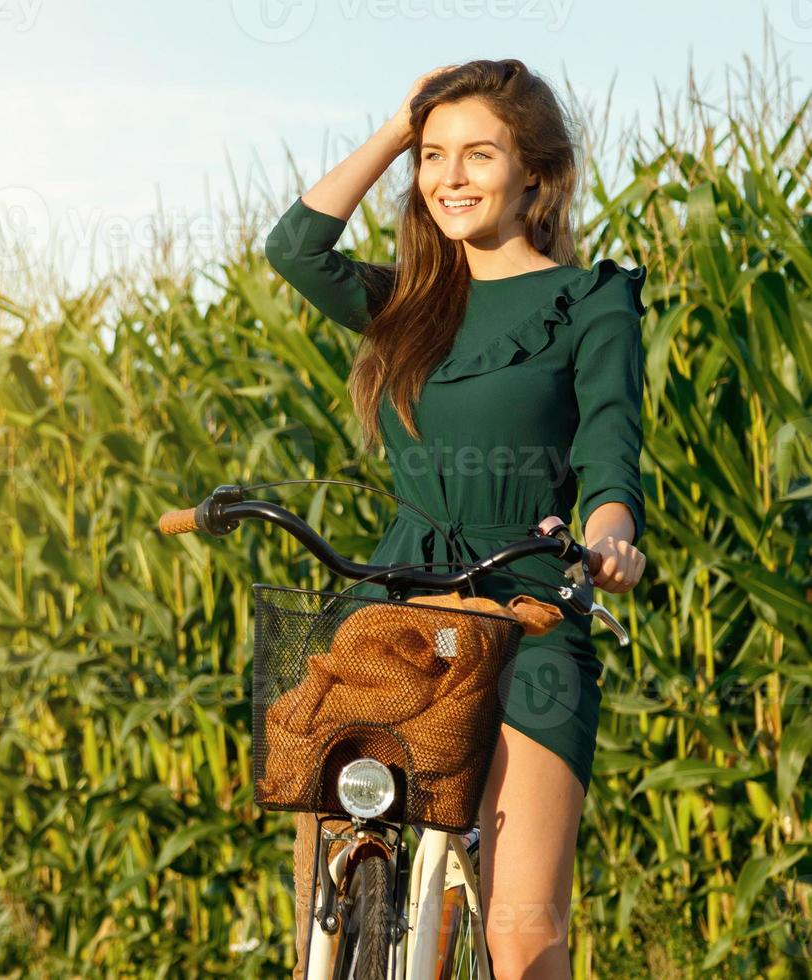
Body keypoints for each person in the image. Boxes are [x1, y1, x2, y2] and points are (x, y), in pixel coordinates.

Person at [262, 59, 648, 980]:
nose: (451, 177)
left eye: (479, 153)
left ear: (535, 173)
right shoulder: (410, 303)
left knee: (519, 936)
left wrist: (608, 537)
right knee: (335, 908)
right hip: (403, 609)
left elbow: (608, 449)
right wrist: (402, 122)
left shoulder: (592, 302)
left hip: (529, 614)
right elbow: (294, 248)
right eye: (435, 157)